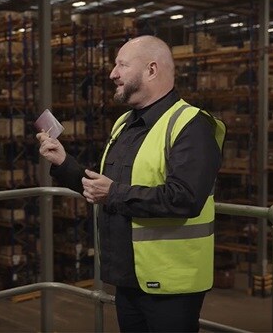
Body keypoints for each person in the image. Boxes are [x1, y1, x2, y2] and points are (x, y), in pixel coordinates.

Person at [37, 35, 225, 332]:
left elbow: (185, 198)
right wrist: (64, 164)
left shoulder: (191, 125)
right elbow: (104, 189)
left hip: (171, 285)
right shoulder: (124, 123)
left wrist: (113, 192)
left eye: (122, 65)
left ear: (151, 70)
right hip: (128, 278)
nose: (113, 73)